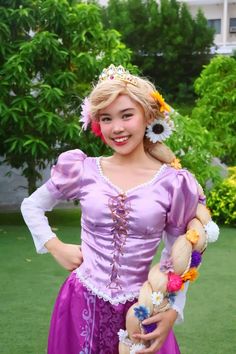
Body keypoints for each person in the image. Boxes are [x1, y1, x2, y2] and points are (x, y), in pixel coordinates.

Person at [21, 64, 219, 354]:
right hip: (80, 302)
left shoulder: (175, 184)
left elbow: (177, 256)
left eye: (127, 115)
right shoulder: (83, 170)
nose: (117, 128)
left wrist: (173, 310)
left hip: (142, 308)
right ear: (97, 123)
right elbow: (32, 205)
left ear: (148, 116)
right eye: (106, 118)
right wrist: (55, 246)